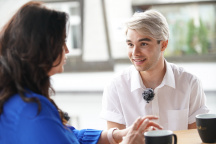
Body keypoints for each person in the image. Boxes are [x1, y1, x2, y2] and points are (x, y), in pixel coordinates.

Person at [0, 1, 162, 144]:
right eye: (62, 41)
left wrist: (117, 135)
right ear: (39, 48)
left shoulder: (23, 101)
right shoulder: (33, 113)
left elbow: (68, 134)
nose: (67, 50)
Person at [100, 9, 209, 131]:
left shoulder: (190, 83)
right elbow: (116, 141)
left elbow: (195, 138)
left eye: (144, 44)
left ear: (163, 44)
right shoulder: (116, 87)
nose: (135, 53)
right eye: (130, 44)